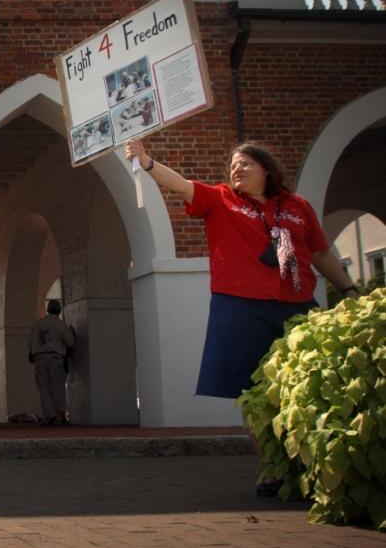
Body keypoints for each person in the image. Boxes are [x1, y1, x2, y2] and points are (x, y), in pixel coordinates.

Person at [126, 140, 358, 491]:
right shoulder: (222, 199)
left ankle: (314, 466)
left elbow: (321, 253)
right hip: (240, 307)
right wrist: (147, 162)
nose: (237, 169)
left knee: (309, 385)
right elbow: (182, 186)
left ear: (267, 169)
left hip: (295, 304)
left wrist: (349, 289)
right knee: (252, 393)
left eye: (246, 163)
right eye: (234, 164)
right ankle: (273, 469)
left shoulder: (298, 207)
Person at [28, 299, 75, 426]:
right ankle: (61, 415)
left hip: (40, 358)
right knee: (58, 387)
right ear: (59, 311)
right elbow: (70, 342)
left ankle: (49, 415)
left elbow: (31, 342)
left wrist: (32, 355)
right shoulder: (60, 325)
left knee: (43, 387)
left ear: (48, 309)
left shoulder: (37, 324)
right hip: (55, 358)